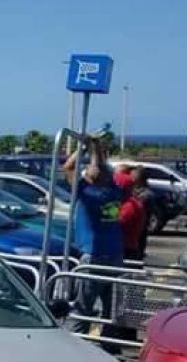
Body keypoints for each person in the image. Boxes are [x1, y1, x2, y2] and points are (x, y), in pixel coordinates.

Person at [62, 137, 123, 335]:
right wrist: (95, 148)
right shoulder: (114, 192)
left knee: (82, 308)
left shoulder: (87, 193)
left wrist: (83, 147)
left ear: (89, 179)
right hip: (115, 256)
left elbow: (68, 167)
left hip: (93, 256)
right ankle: (109, 344)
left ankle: (75, 342)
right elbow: (102, 170)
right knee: (111, 308)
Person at [119, 181, 146, 261]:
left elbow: (119, 224)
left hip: (126, 249)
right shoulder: (131, 203)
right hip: (128, 247)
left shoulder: (129, 206)